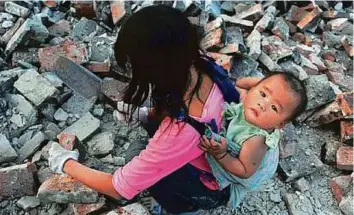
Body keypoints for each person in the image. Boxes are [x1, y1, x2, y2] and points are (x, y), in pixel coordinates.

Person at [48, 5, 259, 214]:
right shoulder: (201, 64)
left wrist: (65, 163)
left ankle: (184, 208)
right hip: (218, 152)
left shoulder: (181, 132)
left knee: (137, 153)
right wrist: (146, 115)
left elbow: (117, 189)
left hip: (213, 188)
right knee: (148, 139)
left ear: (155, 70)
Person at [199, 72, 307, 208]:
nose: (263, 104)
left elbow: (244, 171)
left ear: (280, 124)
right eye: (263, 94)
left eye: (274, 107)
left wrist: (222, 155)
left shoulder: (256, 140)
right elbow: (240, 83)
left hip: (245, 169)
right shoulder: (250, 102)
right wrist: (262, 86)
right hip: (250, 156)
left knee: (197, 187)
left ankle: (196, 207)